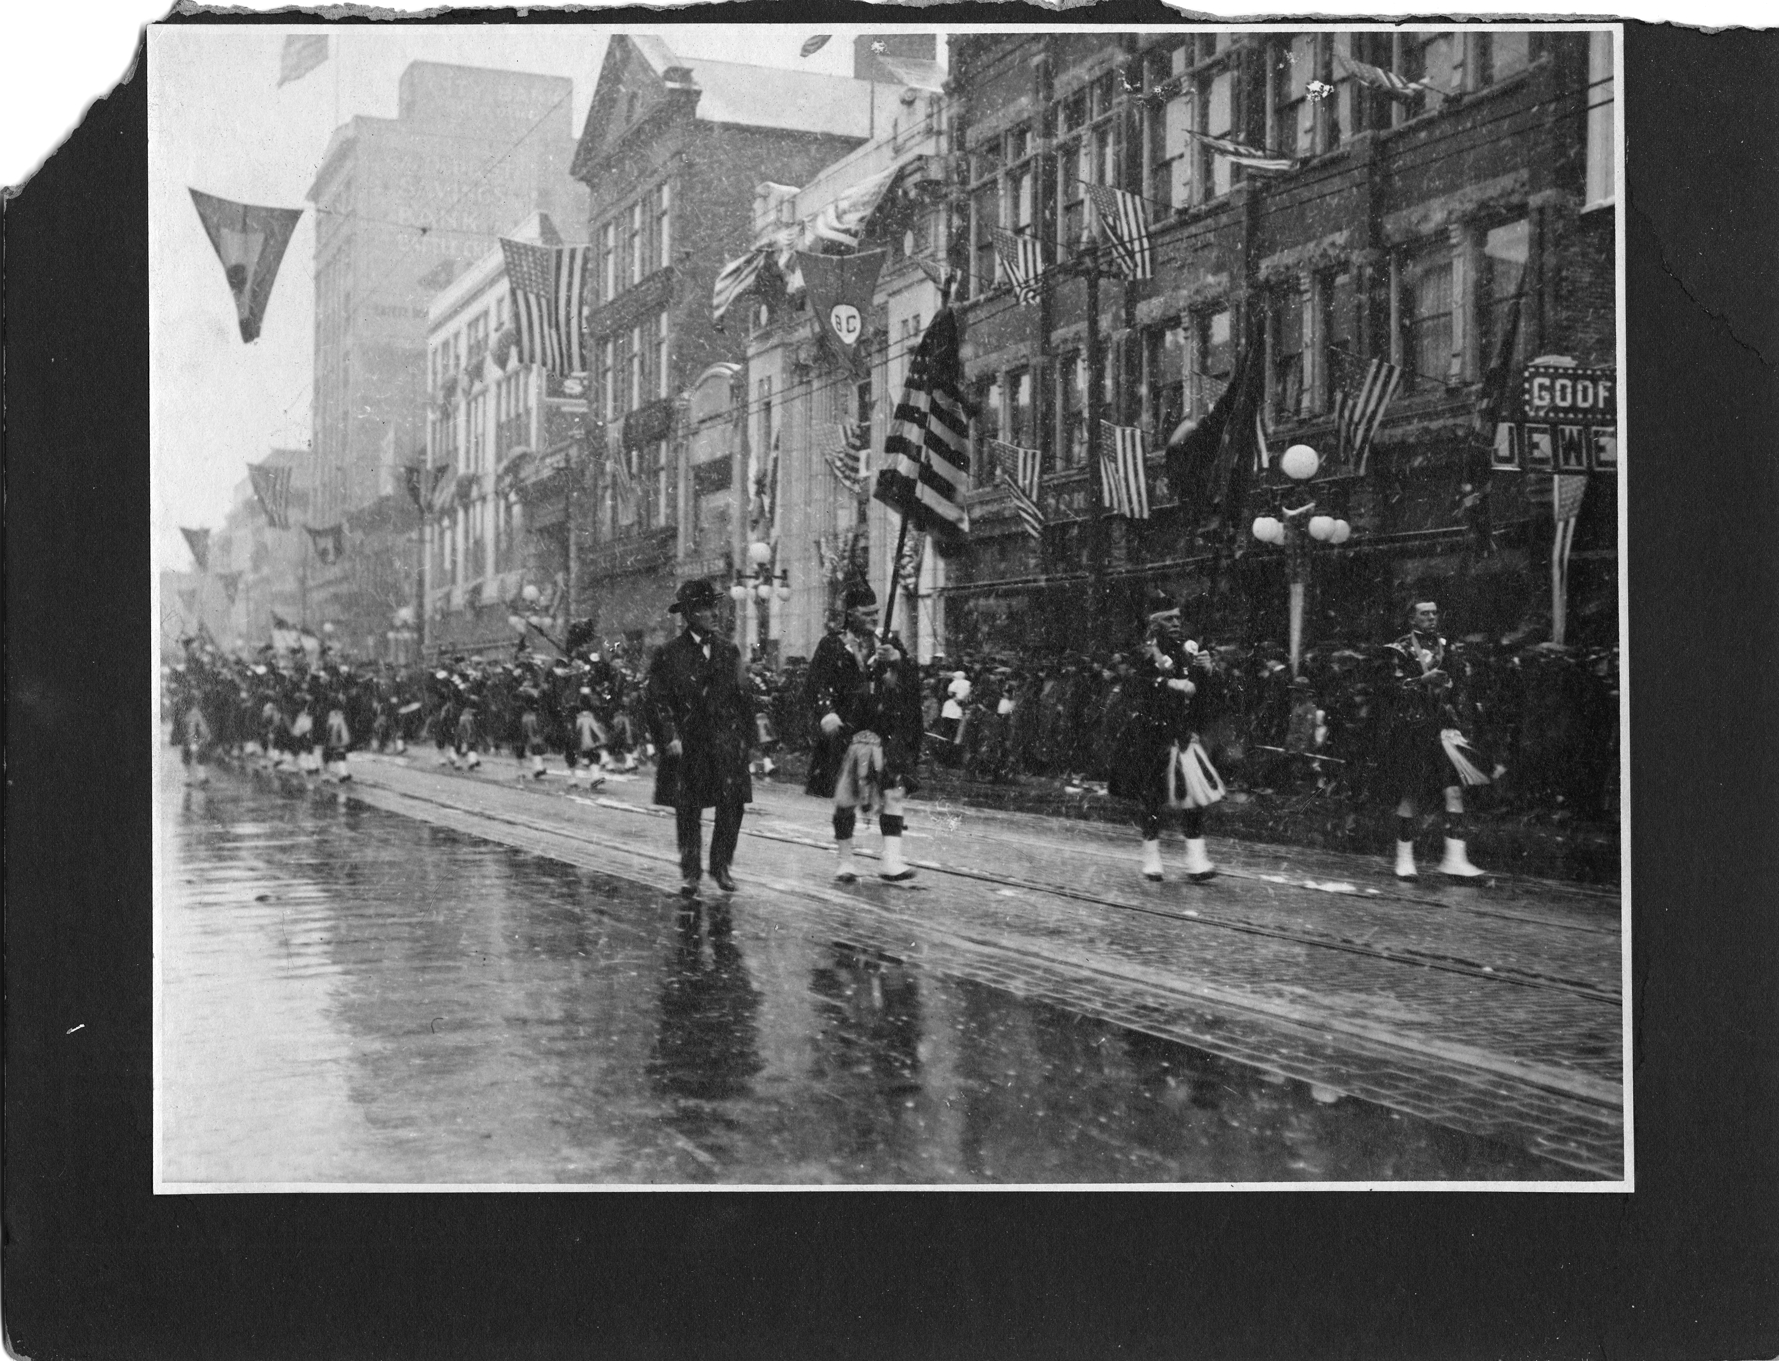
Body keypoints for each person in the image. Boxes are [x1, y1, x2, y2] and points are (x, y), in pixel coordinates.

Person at [803, 582, 924, 883]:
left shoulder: (889, 644)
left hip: (885, 731)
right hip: (848, 730)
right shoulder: (832, 645)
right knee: (846, 797)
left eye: (875, 612)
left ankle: (892, 860)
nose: (872, 618)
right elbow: (817, 684)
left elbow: (909, 684)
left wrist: (897, 663)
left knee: (893, 792)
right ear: (850, 614)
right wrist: (827, 712)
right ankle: (845, 861)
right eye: (865, 613)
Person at [645, 578, 754, 898]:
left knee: (732, 805)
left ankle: (721, 866)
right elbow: (656, 699)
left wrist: (750, 740)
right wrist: (669, 736)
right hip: (689, 743)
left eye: (714, 606)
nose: (714, 614)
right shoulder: (669, 653)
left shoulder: (728, 649)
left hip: (725, 742)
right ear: (690, 614)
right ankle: (691, 872)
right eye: (707, 608)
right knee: (688, 808)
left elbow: (743, 696)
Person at [1108, 591, 1224, 882]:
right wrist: (1168, 683)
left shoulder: (1189, 650)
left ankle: (1196, 861)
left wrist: (1209, 673)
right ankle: (1151, 857)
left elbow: (1206, 696)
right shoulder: (1146, 652)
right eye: (1168, 618)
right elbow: (1136, 687)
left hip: (1183, 735)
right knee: (1153, 798)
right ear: (1155, 622)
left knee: (1193, 799)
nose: (1176, 622)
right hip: (1151, 734)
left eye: (1178, 617)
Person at [1382, 600, 1491, 880]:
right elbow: (1389, 689)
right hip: (1413, 729)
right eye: (1425, 614)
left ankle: (1455, 858)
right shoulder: (1399, 649)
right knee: (1412, 792)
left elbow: (1460, 686)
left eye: (1434, 613)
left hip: (1443, 728)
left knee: (1453, 790)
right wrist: (1422, 681)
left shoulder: (1447, 646)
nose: (1431, 617)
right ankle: (1404, 859)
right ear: (1412, 618)